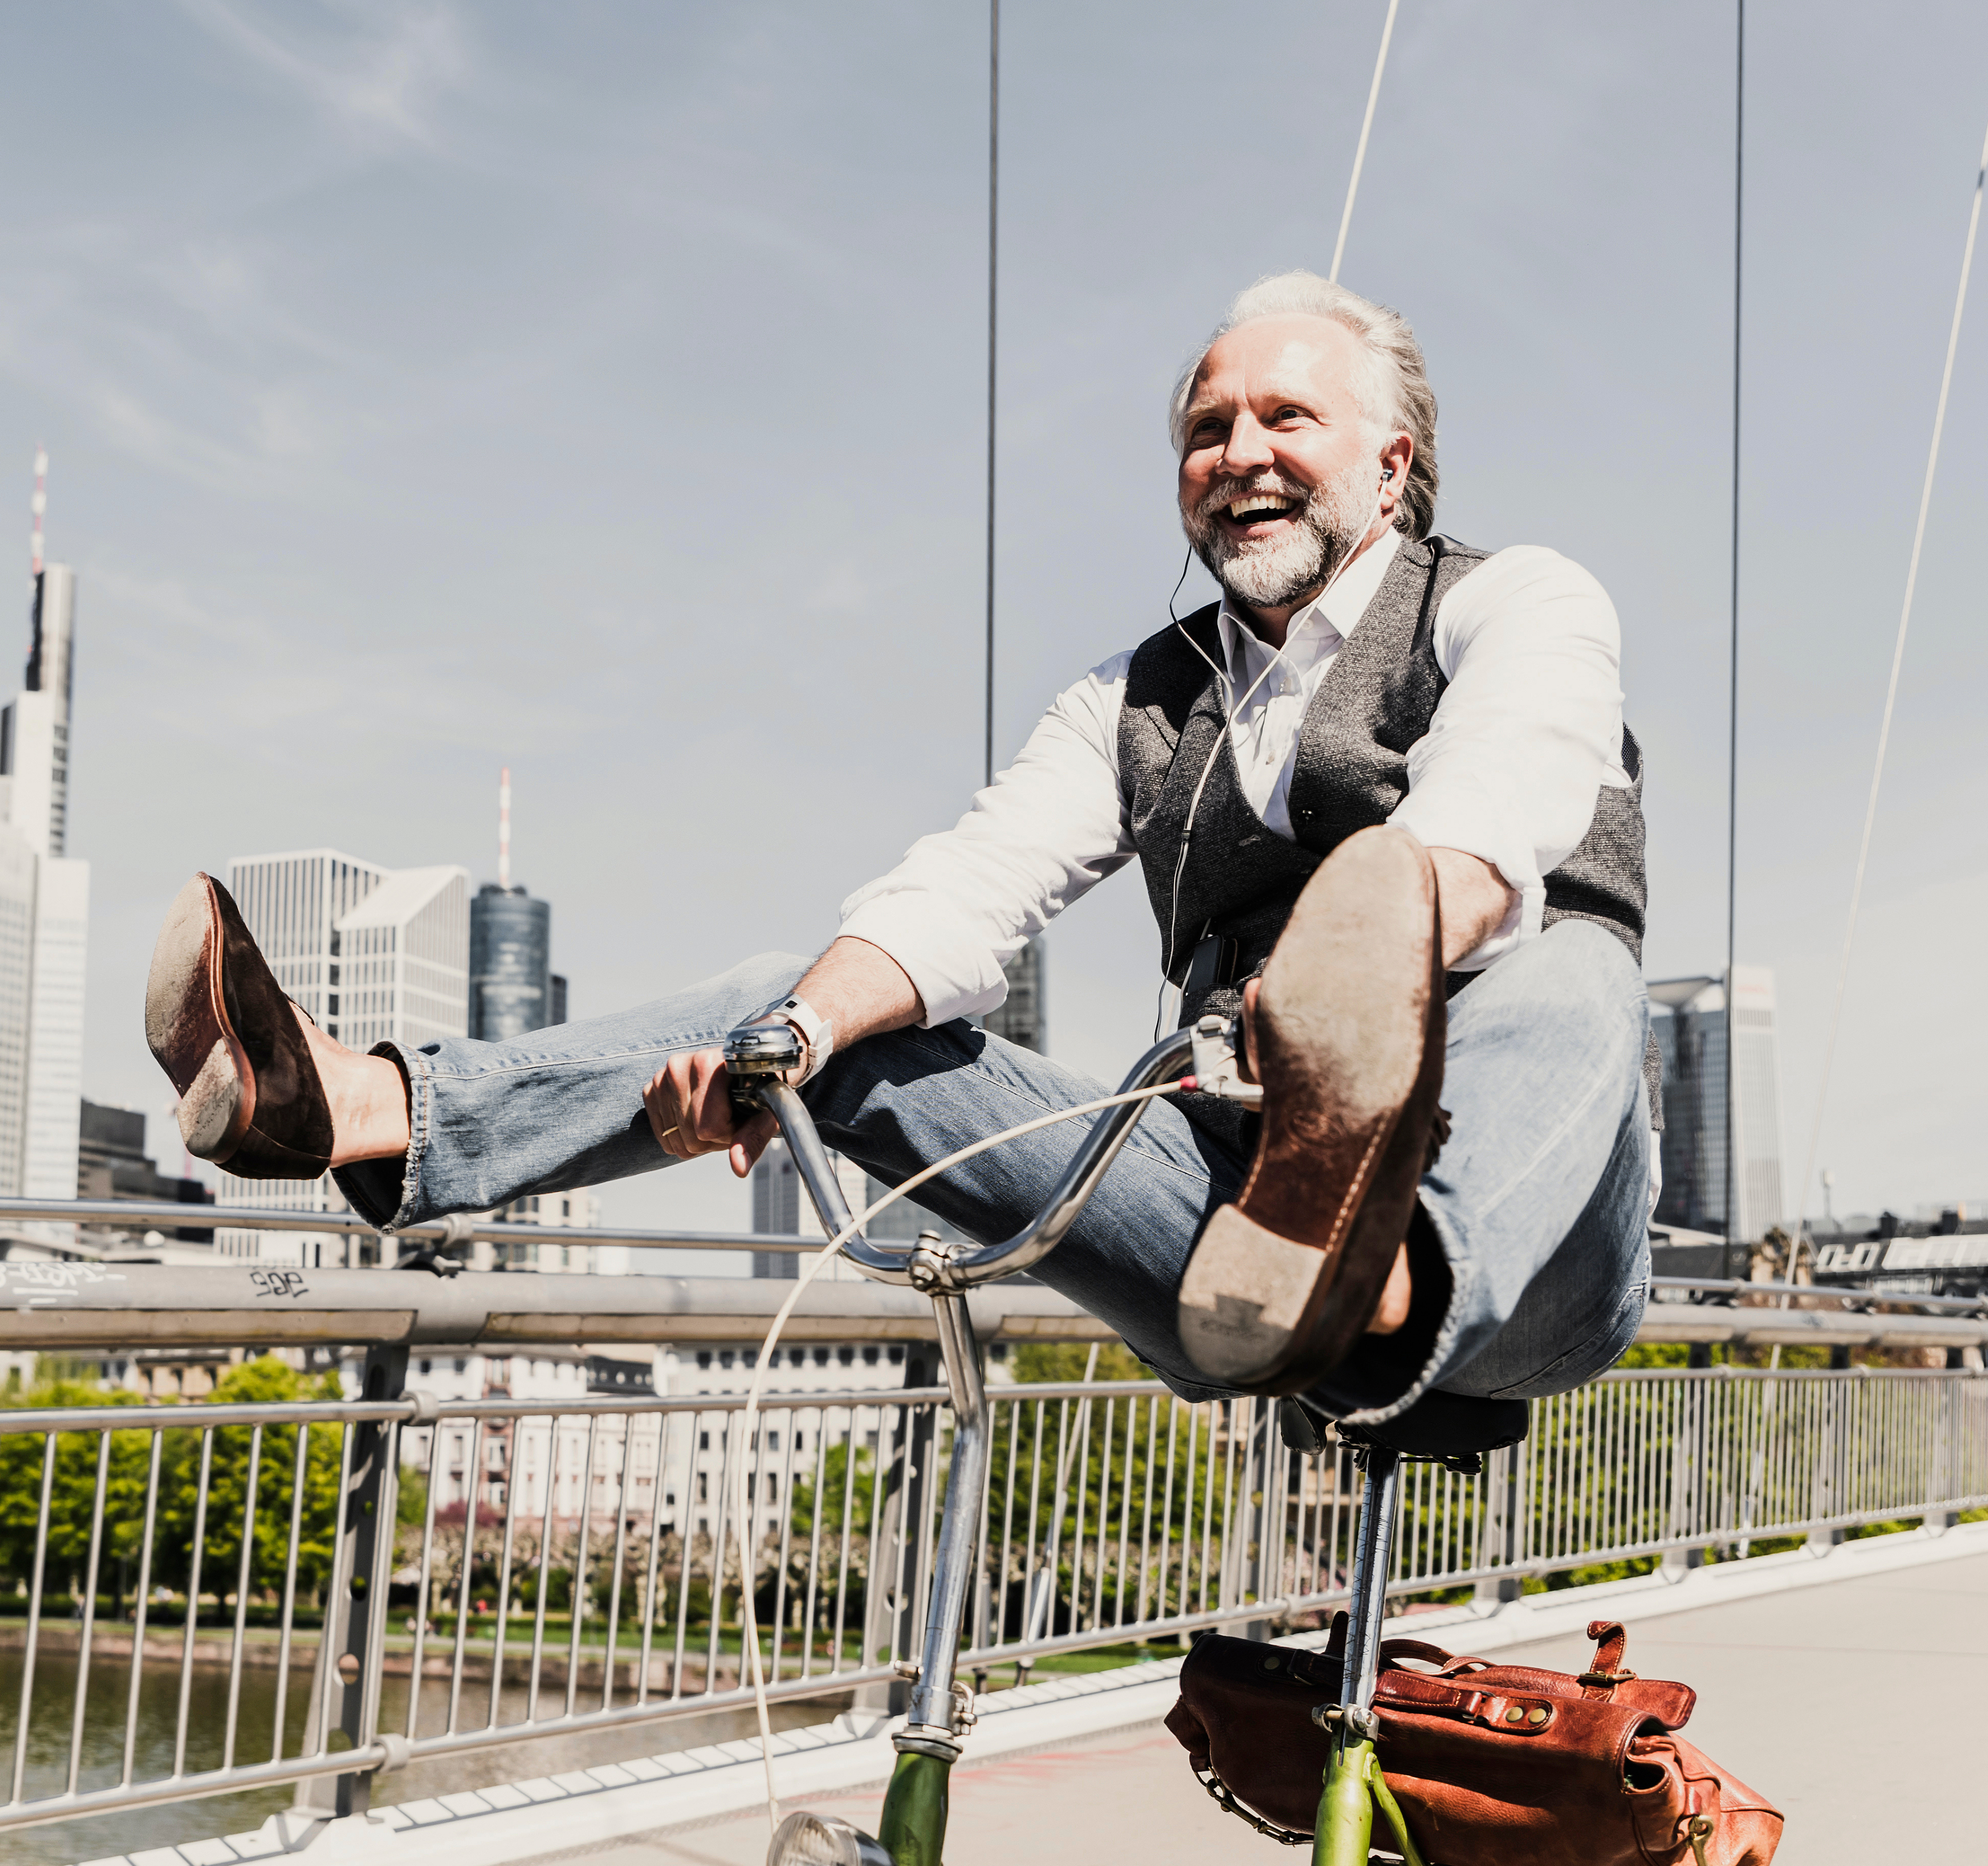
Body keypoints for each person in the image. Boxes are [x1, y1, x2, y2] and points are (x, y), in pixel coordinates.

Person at [144, 272, 1650, 1425]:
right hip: (1223, 1218)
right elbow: (970, 892)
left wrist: (1395, 922)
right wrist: (781, 1047)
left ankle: (1376, 1255)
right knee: (796, 1003)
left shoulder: (1513, 603)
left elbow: (1513, 779)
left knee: (1573, 981)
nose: (1235, 451)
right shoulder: (1130, 704)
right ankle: (348, 1112)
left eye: (1284, 420)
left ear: (1393, 468)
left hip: (1526, 1239)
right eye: (1206, 428)